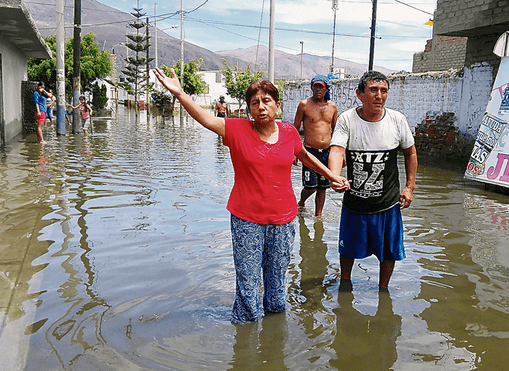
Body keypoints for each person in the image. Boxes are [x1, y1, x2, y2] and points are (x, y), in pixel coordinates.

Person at [152, 67, 350, 323]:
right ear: (248, 108)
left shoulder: (289, 132)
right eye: (254, 103)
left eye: (266, 101)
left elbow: (305, 156)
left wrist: (331, 175)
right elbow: (204, 118)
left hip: (283, 219)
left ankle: (274, 337)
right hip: (247, 220)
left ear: (277, 105)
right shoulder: (236, 130)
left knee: (277, 289)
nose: (261, 107)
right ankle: (245, 339)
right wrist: (180, 94)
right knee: (248, 284)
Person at [328, 71, 418, 290]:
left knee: (389, 251)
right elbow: (337, 151)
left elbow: (410, 153)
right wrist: (335, 176)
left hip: (387, 204)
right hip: (354, 203)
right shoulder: (347, 119)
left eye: (384, 91)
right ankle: (345, 283)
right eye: (373, 90)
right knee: (347, 249)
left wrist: (409, 186)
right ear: (360, 94)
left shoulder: (397, 120)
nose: (379, 96)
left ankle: (383, 289)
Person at [294, 75, 338, 217]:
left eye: (321, 87)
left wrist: (340, 154)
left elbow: (336, 131)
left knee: (322, 188)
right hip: (309, 152)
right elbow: (295, 129)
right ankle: (301, 201)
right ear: (312, 88)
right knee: (310, 186)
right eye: (316, 86)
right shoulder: (304, 104)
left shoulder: (332, 106)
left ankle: (318, 217)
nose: (318, 89)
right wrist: (294, 152)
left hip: (326, 152)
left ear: (327, 89)